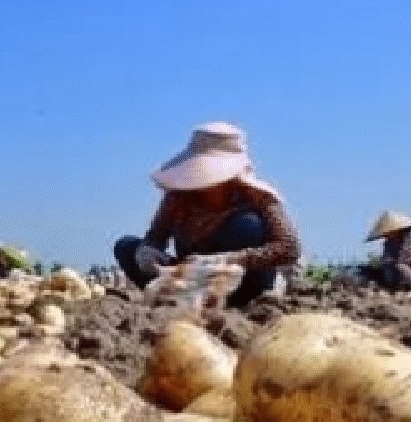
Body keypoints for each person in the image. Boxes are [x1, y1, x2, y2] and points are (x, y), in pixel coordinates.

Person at [112, 122, 302, 308]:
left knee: (248, 225)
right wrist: (148, 252)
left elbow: (289, 247)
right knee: (125, 246)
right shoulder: (178, 197)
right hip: (190, 278)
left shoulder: (259, 197)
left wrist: (229, 259)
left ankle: (237, 301)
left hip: (240, 281)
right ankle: (176, 297)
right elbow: (156, 236)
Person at [363, 210, 411, 291]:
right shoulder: (388, 243)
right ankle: (391, 287)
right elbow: (386, 258)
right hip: (394, 274)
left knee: (400, 267)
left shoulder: (410, 240)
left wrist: (393, 262)